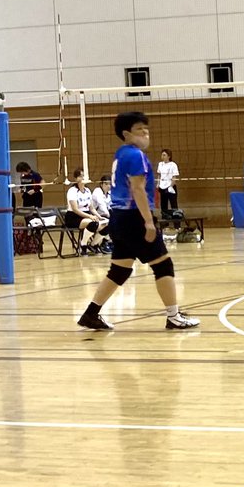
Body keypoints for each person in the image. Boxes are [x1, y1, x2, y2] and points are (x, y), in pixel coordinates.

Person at [76, 112, 199, 331]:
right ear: (126, 134)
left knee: (120, 270)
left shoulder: (121, 153)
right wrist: (148, 222)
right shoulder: (135, 155)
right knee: (163, 265)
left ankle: (90, 314)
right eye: (139, 129)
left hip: (119, 218)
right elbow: (138, 189)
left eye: (146, 128)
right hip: (134, 217)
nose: (145, 132)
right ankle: (173, 317)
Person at [67, 169, 107, 255]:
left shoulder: (88, 190)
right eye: (80, 176)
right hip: (74, 217)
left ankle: (93, 244)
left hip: (86, 215)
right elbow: (75, 209)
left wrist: (99, 216)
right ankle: (83, 245)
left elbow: (91, 208)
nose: (82, 178)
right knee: (93, 223)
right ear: (75, 179)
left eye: (83, 176)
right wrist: (90, 216)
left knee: (107, 224)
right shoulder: (72, 191)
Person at [157, 149, 179, 220]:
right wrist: (158, 184)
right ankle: (164, 224)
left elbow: (174, 177)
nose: (162, 156)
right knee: (163, 206)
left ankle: (177, 224)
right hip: (162, 187)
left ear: (169, 156)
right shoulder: (160, 164)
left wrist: (171, 186)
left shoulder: (173, 165)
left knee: (174, 205)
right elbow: (159, 175)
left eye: (164, 155)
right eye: (162, 155)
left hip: (170, 187)